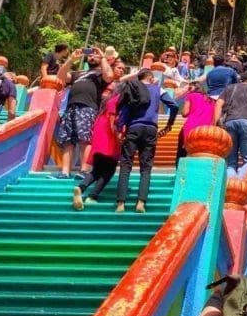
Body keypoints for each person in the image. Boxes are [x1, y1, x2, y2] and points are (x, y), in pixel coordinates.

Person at [114, 68, 178, 213]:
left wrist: (120, 129)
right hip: (151, 130)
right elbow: (174, 105)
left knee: (125, 164)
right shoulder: (158, 89)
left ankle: (121, 204)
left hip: (134, 127)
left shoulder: (133, 87)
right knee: (146, 167)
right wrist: (169, 124)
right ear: (150, 77)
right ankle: (141, 202)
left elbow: (125, 110)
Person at [54, 47, 114, 178]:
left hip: (88, 108)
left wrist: (102, 57)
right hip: (71, 108)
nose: (92, 57)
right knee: (67, 140)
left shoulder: (100, 73)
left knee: (84, 139)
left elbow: (109, 76)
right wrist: (71, 59)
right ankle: (65, 172)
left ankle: (84, 170)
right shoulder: (78, 73)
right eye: (90, 55)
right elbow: (60, 77)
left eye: (95, 55)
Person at [72, 84, 122, 209]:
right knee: (109, 170)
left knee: (97, 170)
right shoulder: (117, 101)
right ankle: (92, 196)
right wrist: (119, 139)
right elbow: (112, 124)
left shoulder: (104, 107)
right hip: (109, 142)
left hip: (98, 142)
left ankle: (81, 187)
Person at [176, 80, 217, 163]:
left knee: (183, 152)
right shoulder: (211, 100)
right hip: (206, 130)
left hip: (191, 127)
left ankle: (180, 172)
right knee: (202, 153)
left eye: (190, 87)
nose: (188, 89)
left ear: (195, 87)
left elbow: (185, 113)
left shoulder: (191, 96)